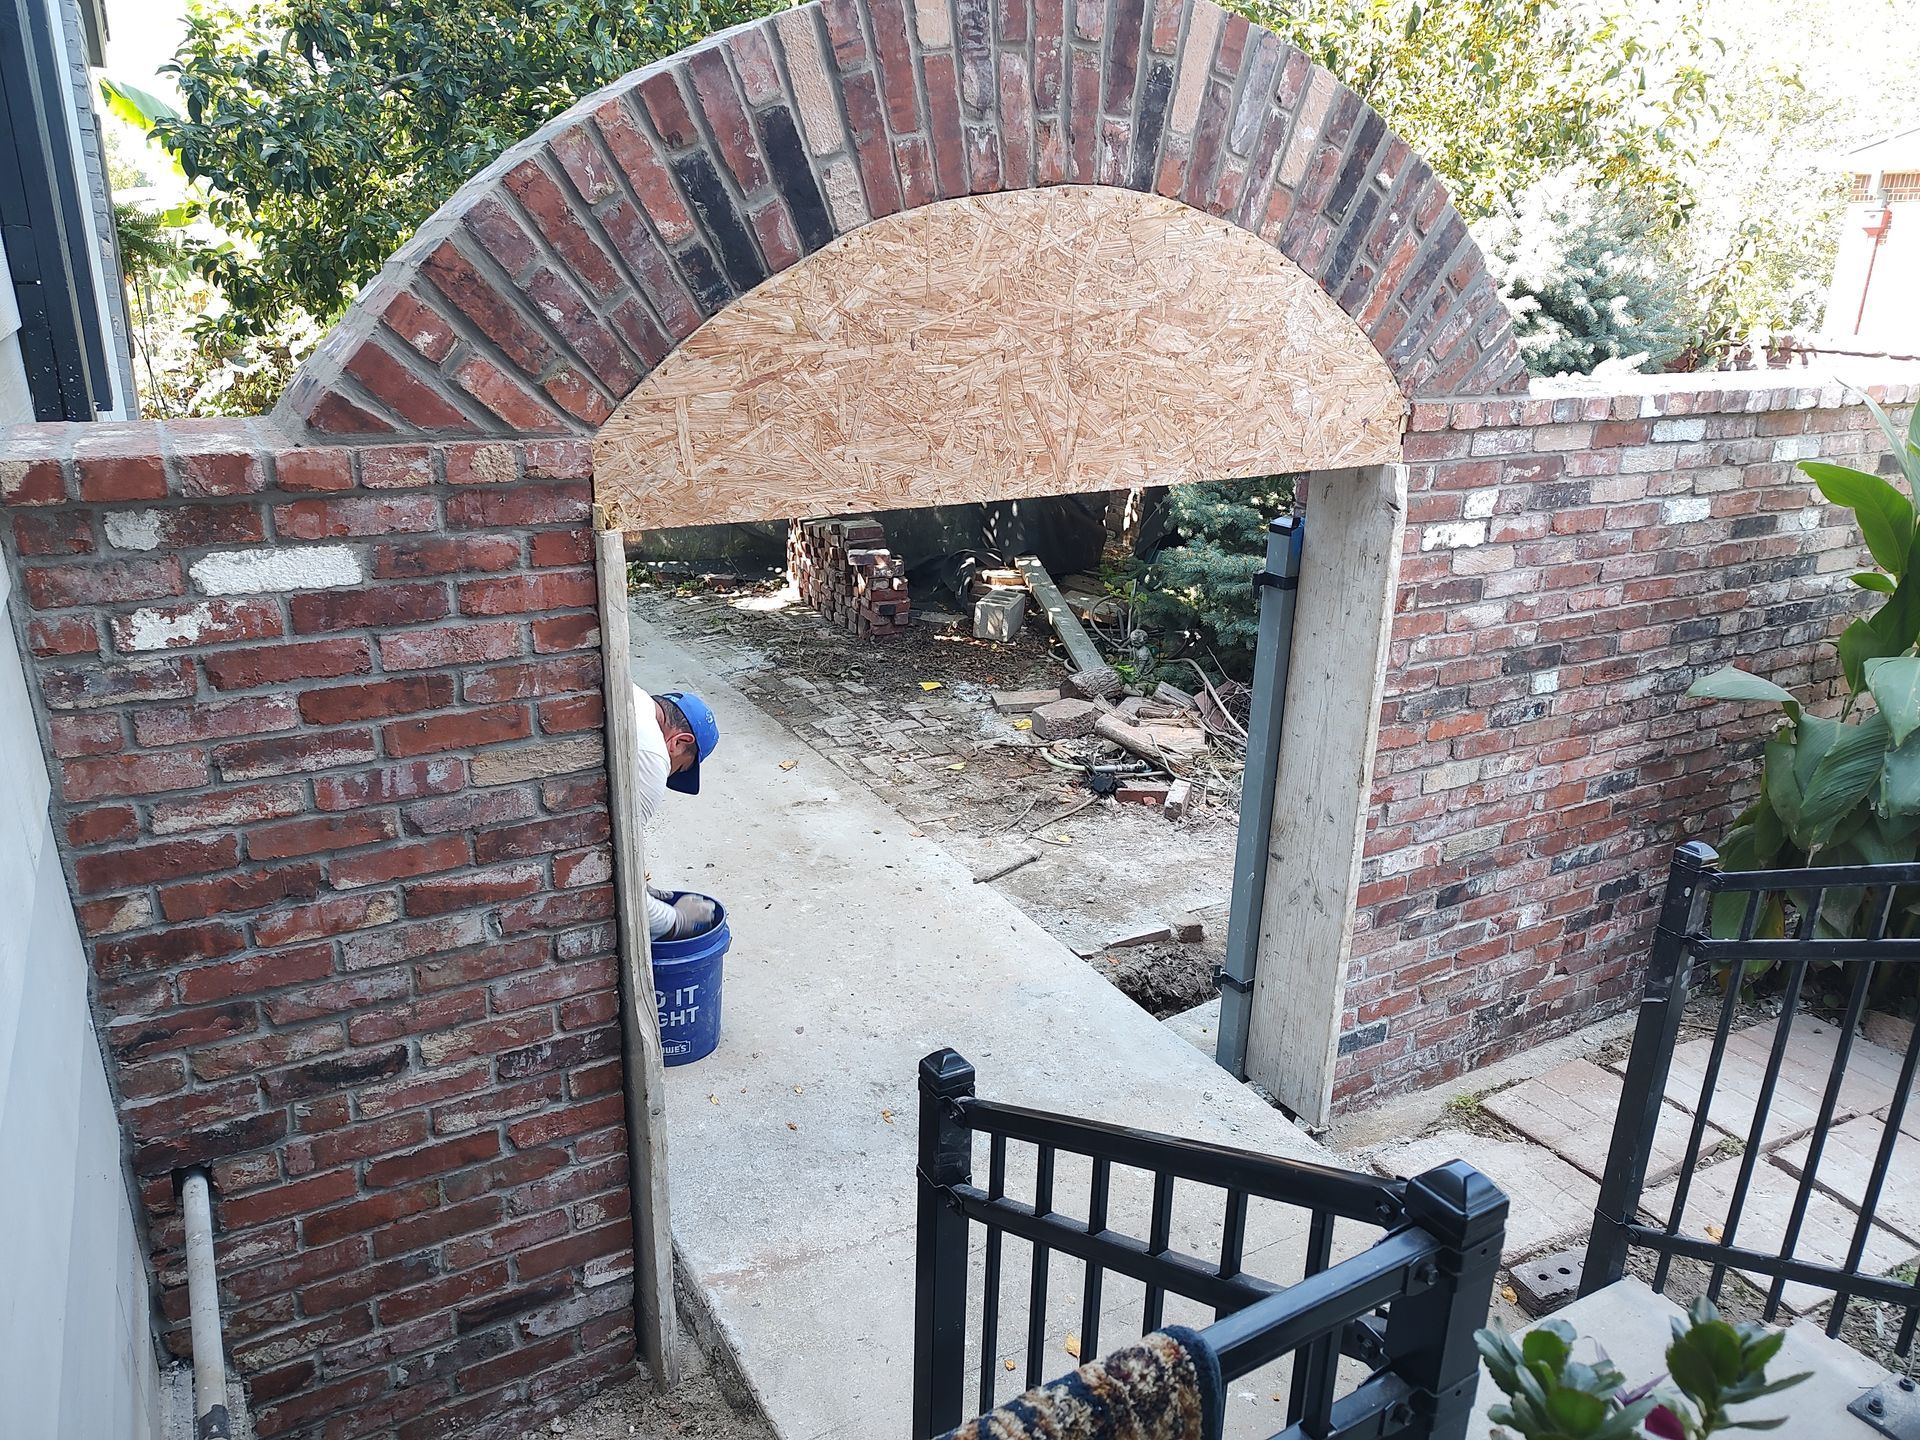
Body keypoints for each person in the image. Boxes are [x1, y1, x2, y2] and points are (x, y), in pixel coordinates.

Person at [630, 684, 720, 939]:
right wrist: (674, 920)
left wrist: (640, 885)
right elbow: (615, 880)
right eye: (678, 768)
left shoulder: (636, 697)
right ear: (680, 742)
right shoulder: (651, 756)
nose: (668, 774)